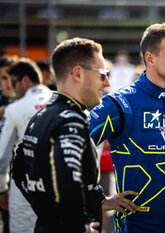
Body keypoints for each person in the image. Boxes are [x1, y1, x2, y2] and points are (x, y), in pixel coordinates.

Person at [11, 37, 139, 233]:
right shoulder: (71, 121)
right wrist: (81, 228)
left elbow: (18, 167)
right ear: (78, 74)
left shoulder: (42, 115)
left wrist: (99, 202)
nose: (107, 82)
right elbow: (68, 185)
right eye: (102, 74)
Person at [88, 23, 165, 233]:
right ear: (150, 58)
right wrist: (99, 198)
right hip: (135, 224)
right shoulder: (119, 104)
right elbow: (77, 146)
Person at [0, 58, 52, 233]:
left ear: (25, 80)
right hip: (61, 187)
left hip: (24, 189)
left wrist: (1, 190)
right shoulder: (63, 101)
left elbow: (2, 156)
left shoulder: (14, 108)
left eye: (13, 82)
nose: (12, 89)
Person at [0, 55, 17, 233]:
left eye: (12, 77)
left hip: (19, 177)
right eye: (4, 78)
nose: (9, 83)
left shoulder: (30, 103)